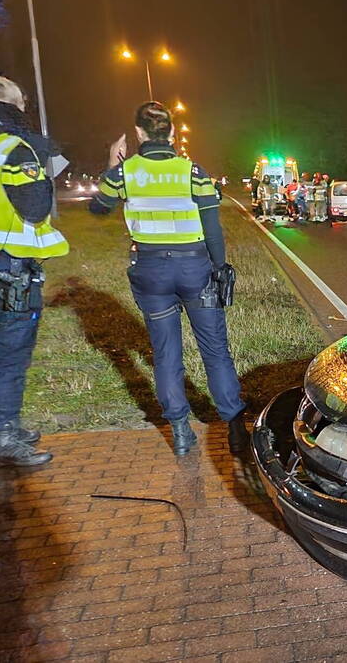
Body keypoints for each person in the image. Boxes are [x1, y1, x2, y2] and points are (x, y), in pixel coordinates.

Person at [90, 101, 249, 456]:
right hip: (195, 269)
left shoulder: (125, 173)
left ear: (138, 134)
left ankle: (180, 431)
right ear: (173, 133)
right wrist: (219, 266)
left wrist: (112, 164)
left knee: (165, 354)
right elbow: (212, 227)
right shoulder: (192, 172)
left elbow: (98, 207)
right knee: (215, 351)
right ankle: (236, 430)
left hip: (150, 273)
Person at [0, 76, 68, 467]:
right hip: (9, 270)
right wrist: (40, 161)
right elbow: (35, 208)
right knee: (10, 355)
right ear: (16, 105)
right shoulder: (14, 149)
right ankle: (5, 434)